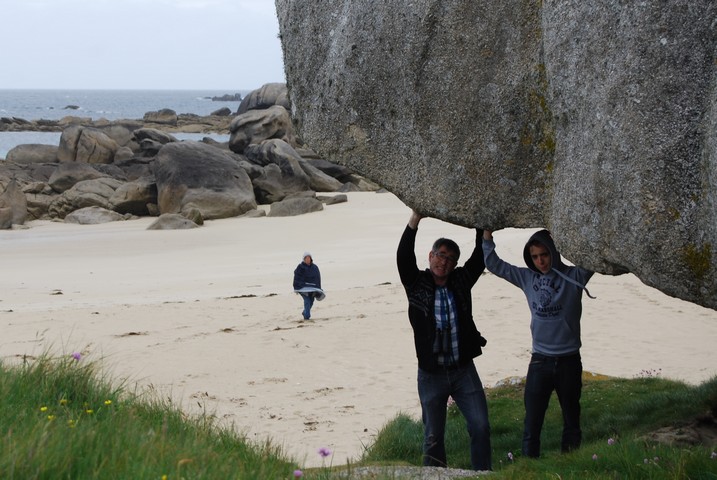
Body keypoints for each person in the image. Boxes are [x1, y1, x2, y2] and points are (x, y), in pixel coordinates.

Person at [482, 228, 595, 458]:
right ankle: (528, 466)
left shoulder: (575, 276)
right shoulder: (527, 277)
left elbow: (595, 257)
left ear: (553, 252)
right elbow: (495, 265)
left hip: (569, 360)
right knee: (532, 423)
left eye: (544, 254)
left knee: (572, 419)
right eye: (535, 256)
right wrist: (486, 235)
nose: (540, 261)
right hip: (540, 361)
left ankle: (570, 462)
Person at [397, 210, 492, 471]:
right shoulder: (416, 284)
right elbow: (403, 256)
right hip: (430, 374)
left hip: (463, 370)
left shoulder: (461, 281)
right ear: (430, 256)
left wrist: (483, 226)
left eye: (450, 258)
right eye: (440, 255)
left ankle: (483, 474)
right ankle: (435, 476)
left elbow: (479, 258)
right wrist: (415, 220)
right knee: (432, 437)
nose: (444, 262)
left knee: (481, 426)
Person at [293, 252, 323, 320]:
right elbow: (297, 277)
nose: (308, 259)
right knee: (307, 300)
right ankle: (307, 316)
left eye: (309, 258)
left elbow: (317, 278)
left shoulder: (314, 267)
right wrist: (299, 285)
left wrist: (318, 287)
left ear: (311, 259)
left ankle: (305, 312)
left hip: (312, 289)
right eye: (306, 258)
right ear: (304, 259)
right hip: (302, 288)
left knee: (311, 301)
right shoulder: (300, 267)